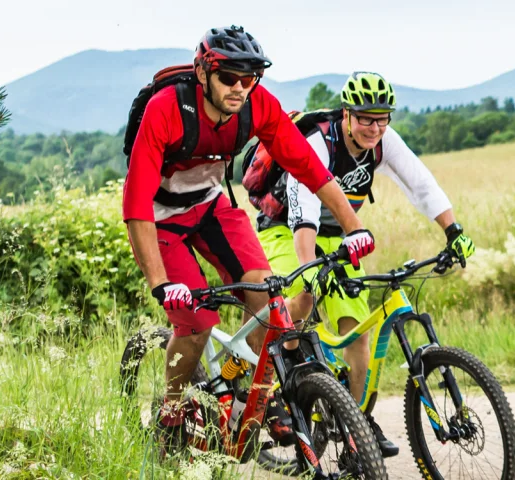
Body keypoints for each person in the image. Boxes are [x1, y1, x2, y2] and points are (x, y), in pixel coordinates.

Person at [120, 25, 377, 448]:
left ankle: (244, 389)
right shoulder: (168, 108)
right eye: (229, 77)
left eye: (249, 78)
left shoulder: (256, 104)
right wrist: (162, 285)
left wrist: (354, 227)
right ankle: (170, 411)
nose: (240, 87)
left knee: (266, 296)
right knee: (197, 322)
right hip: (159, 216)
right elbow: (136, 204)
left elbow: (311, 169)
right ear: (203, 72)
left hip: (211, 206)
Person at [249, 71, 474, 458]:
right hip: (286, 229)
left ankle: (354, 427)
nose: (374, 127)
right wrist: (310, 268)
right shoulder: (319, 140)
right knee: (302, 298)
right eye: (366, 118)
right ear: (347, 114)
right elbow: (303, 207)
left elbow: (421, 184)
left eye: (382, 117)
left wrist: (453, 231)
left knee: (358, 336)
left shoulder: (384, 143)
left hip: (339, 238)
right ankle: (273, 387)